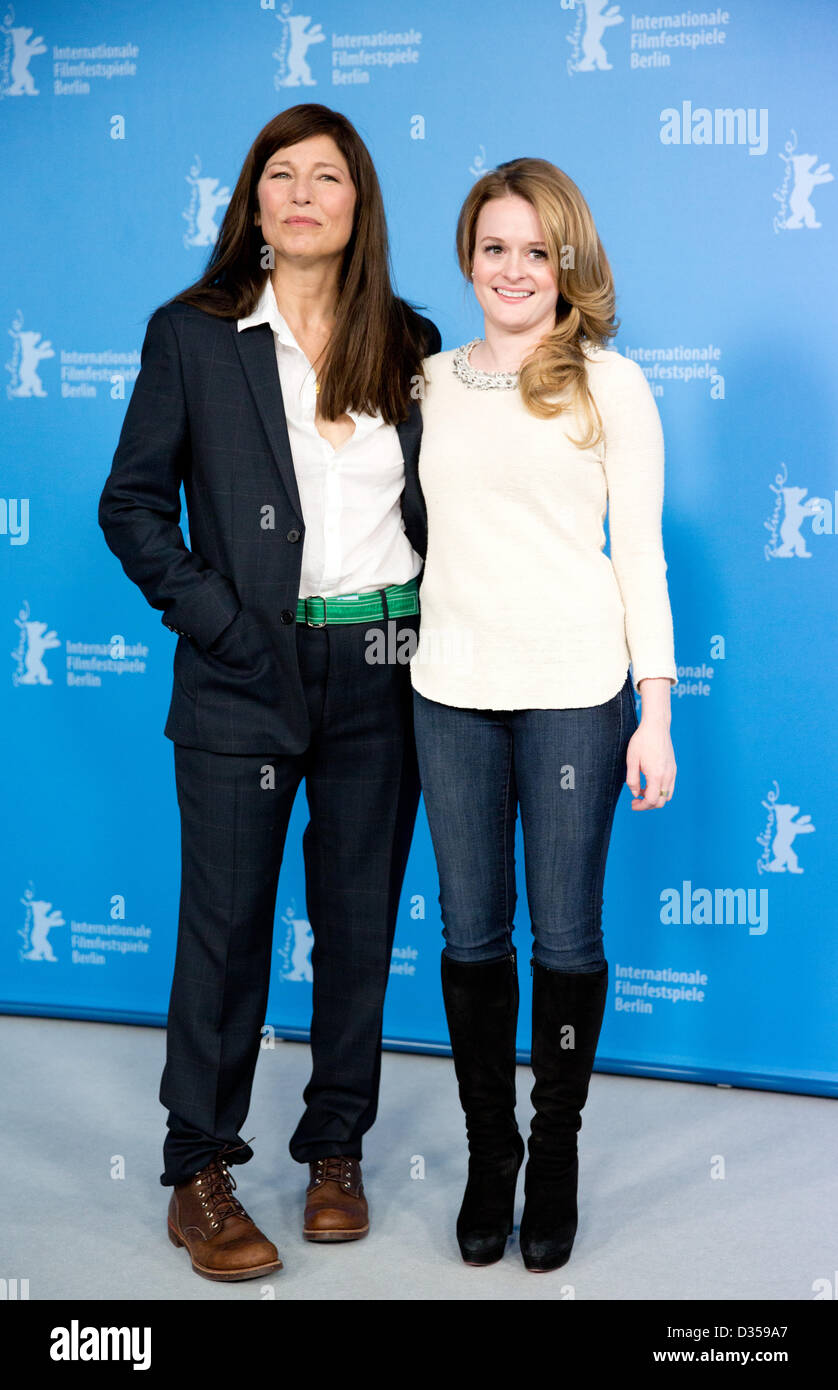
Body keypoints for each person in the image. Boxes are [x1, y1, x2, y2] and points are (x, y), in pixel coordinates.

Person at [98, 103, 440, 1282]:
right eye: (279, 175)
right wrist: (227, 628)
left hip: (384, 669)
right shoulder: (192, 334)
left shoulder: (408, 337)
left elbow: (441, 518)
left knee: (356, 927)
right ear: (253, 202)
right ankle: (199, 1169)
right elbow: (132, 505)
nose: (302, 193)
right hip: (246, 670)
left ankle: (334, 1148)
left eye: (327, 177)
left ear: (358, 204)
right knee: (228, 927)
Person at [409, 157, 678, 1272]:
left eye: (534, 249)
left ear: (565, 260)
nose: (512, 269)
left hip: (577, 696)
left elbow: (643, 553)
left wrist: (653, 714)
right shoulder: (426, 380)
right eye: (493, 248)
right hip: (449, 693)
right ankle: (489, 1153)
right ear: (468, 258)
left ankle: (553, 1148)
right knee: (470, 935)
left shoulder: (610, 383)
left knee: (564, 938)